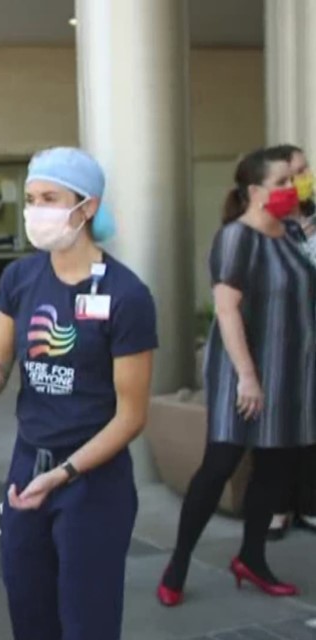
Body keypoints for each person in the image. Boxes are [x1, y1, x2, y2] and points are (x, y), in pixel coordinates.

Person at [0, 147, 157, 640]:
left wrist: (66, 474)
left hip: (92, 482)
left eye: (50, 197)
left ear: (87, 207)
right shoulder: (20, 279)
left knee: (86, 626)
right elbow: (0, 369)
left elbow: (131, 416)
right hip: (26, 469)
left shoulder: (127, 295)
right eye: (31, 198)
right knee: (30, 619)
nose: (36, 210)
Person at [158, 146, 316, 607]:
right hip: (243, 371)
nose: (295, 188)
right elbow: (227, 311)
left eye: (298, 179)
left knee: (276, 465)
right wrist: (247, 377)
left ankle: (251, 558)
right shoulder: (235, 238)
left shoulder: (293, 234)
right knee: (220, 464)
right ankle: (178, 564)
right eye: (285, 181)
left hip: (291, 371)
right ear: (254, 191)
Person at [266, 143, 316, 540]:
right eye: (292, 173)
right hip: (280, 340)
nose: (301, 179)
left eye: (304, 170)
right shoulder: (263, 227)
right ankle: (277, 507)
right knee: (279, 427)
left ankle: (309, 504)